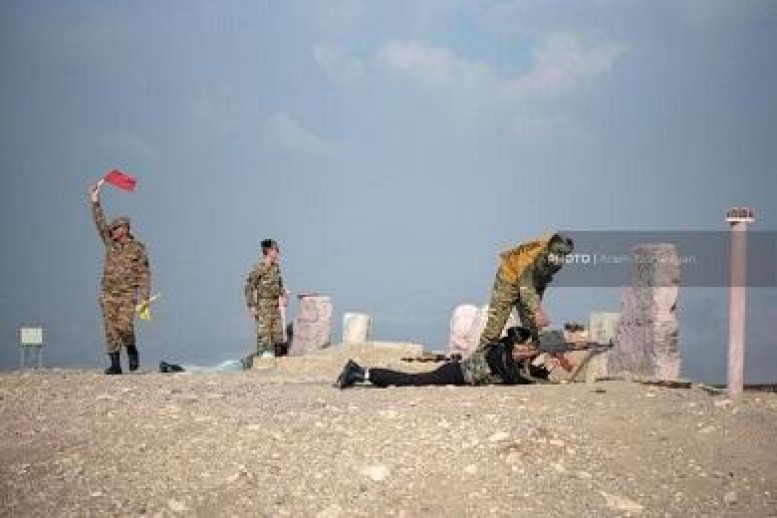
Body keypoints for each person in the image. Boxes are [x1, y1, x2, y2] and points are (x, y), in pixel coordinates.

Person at [335, 327, 535, 388]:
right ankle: (361, 373)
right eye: (523, 347)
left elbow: (518, 376)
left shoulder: (505, 354)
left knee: (411, 380)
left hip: (455, 373)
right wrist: (528, 355)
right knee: (410, 381)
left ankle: (360, 372)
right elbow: (510, 375)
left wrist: (538, 364)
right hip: (455, 373)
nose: (525, 350)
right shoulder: (499, 351)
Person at [89, 180, 151, 374]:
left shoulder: (138, 248)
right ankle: (115, 364)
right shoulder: (110, 244)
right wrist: (95, 200)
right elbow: (100, 223)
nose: (112, 231)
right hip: (108, 293)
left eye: (115, 228)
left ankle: (131, 349)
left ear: (124, 229)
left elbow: (144, 274)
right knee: (110, 329)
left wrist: (144, 298)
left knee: (124, 326)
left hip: (126, 295)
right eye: (112, 229)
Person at [478, 232, 574, 348]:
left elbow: (541, 281)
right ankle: (481, 357)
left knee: (532, 328)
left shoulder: (557, 259)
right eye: (558, 254)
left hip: (531, 285)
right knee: (495, 327)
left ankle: (528, 359)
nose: (561, 259)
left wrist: (535, 309)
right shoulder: (530, 257)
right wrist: (537, 310)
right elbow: (526, 286)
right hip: (508, 280)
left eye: (564, 255)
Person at [244, 239, 288, 364]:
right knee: (264, 336)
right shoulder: (259, 267)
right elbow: (249, 287)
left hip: (275, 305)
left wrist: (283, 295)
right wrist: (251, 305)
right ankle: (259, 364)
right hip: (263, 306)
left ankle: (278, 363)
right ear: (268, 251)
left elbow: (279, 284)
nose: (278, 253)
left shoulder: (276, 267)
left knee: (278, 336)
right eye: (276, 250)